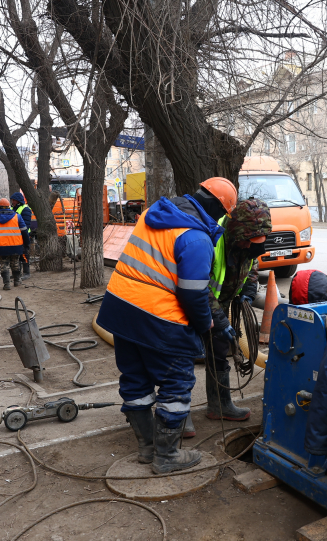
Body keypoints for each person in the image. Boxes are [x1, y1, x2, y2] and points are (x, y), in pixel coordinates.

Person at [95, 178, 238, 474]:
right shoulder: (196, 238)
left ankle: (147, 449)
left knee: (135, 379)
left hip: (120, 308)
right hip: (158, 318)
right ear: (219, 209)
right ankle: (167, 456)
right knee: (176, 383)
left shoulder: (151, 215)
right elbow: (193, 293)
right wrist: (205, 324)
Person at [183, 199, 272, 438]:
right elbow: (199, 285)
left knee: (218, 352)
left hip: (220, 304)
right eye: (250, 243)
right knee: (183, 357)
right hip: (190, 301)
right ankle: (179, 416)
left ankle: (219, 405)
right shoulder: (211, 240)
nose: (254, 248)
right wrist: (220, 320)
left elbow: (251, 264)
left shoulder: (249, 242)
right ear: (238, 233)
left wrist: (249, 290)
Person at [0, 198, 28, 291]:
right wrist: (26, 243)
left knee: (4, 264)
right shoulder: (17, 216)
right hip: (15, 245)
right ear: (9, 206)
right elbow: (24, 231)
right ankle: (17, 281)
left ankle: (7, 284)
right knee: (15, 263)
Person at [10, 192, 34, 280]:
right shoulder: (13, 208)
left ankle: (26, 273)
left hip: (24, 235)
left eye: (13, 200)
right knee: (16, 254)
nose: (12, 201)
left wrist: (21, 233)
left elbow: (26, 225)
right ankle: (17, 273)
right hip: (15, 236)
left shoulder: (25, 209)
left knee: (24, 254)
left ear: (18, 200)